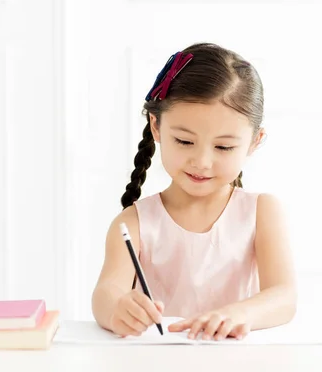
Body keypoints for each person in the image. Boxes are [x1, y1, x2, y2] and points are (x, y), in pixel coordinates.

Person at [91, 42, 297, 341]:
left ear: (255, 141)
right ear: (157, 127)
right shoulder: (134, 222)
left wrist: (238, 314)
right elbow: (105, 293)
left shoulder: (261, 212)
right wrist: (118, 309)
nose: (202, 162)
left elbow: (284, 296)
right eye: (185, 141)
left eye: (224, 147)